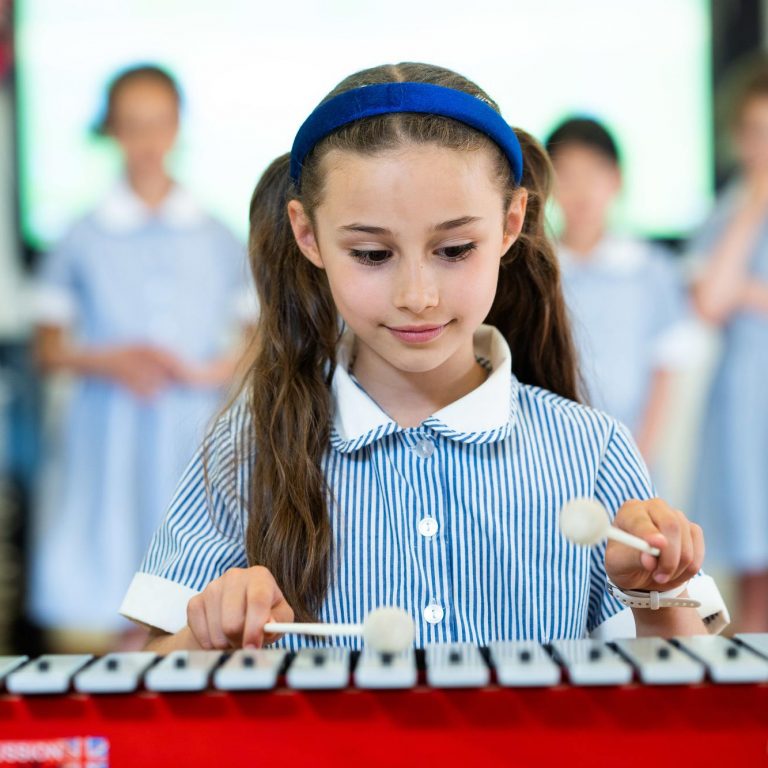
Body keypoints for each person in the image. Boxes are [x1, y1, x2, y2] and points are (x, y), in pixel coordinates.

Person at [120, 63, 727, 653]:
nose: (417, 296)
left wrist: (659, 595)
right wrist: (210, 632)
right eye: (372, 254)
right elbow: (149, 675)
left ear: (512, 222)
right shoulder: (246, 448)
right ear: (308, 236)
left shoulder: (592, 451)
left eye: (455, 248)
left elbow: (685, 695)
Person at [30, 64, 254, 648]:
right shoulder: (80, 236)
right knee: (109, 556)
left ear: (177, 128)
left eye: (158, 124)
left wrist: (203, 372)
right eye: (132, 125)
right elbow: (48, 349)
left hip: (193, 431)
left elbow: (256, 346)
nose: (147, 141)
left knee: (187, 575)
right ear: (112, 131)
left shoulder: (218, 236)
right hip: (107, 431)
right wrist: (113, 361)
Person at [545, 118, 691, 464]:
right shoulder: (536, 270)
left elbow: (665, 371)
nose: (580, 191)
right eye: (567, 175)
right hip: (551, 453)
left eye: (593, 174)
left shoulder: (650, 268)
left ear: (617, 180)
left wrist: (637, 458)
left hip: (632, 450)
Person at [690, 56, 768, 633]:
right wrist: (754, 201)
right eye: (753, 133)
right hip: (745, 405)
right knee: (752, 562)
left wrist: (746, 292)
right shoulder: (731, 209)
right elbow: (712, 300)